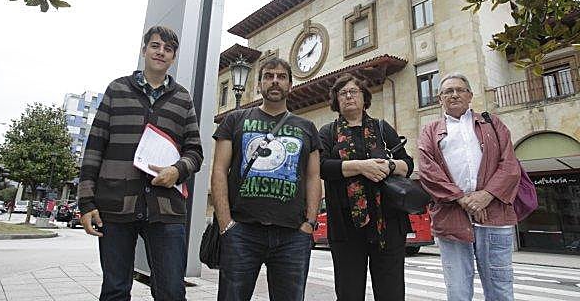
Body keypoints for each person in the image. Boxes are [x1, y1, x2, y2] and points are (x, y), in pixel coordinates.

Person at [77, 26, 203, 301]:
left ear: (173, 57)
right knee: (115, 290)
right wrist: (86, 202)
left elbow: (195, 152)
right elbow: (94, 148)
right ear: (144, 49)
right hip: (115, 205)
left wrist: (176, 171)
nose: (161, 52)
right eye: (155, 46)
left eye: (168, 49)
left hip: (166, 207)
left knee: (172, 291)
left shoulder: (182, 98)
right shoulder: (117, 89)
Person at [211, 57, 322, 301]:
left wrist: (309, 224)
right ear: (259, 84)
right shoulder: (235, 120)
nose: (275, 81)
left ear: (290, 85)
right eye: (268, 76)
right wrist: (225, 223)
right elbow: (219, 170)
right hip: (242, 230)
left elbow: (314, 177)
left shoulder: (307, 127)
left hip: (292, 235)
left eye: (281, 77)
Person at [418, 72, 521, 301]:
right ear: (440, 99)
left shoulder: (492, 124)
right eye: (448, 91)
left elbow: (510, 165)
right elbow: (428, 172)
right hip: (451, 218)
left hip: (494, 215)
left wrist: (486, 195)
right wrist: (462, 199)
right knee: (458, 291)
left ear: (470, 95)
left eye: (460, 90)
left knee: (500, 290)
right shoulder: (430, 131)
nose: (454, 95)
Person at [318, 73, 414, 301]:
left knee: (391, 293)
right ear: (336, 100)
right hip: (345, 227)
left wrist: (389, 165)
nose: (348, 96)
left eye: (353, 91)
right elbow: (322, 167)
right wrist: (362, 167)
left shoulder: (381, 128)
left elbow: (407, 164)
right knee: (349, 293)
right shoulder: (328, 132)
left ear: (364, 97)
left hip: (387, 223)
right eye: (342, 93)